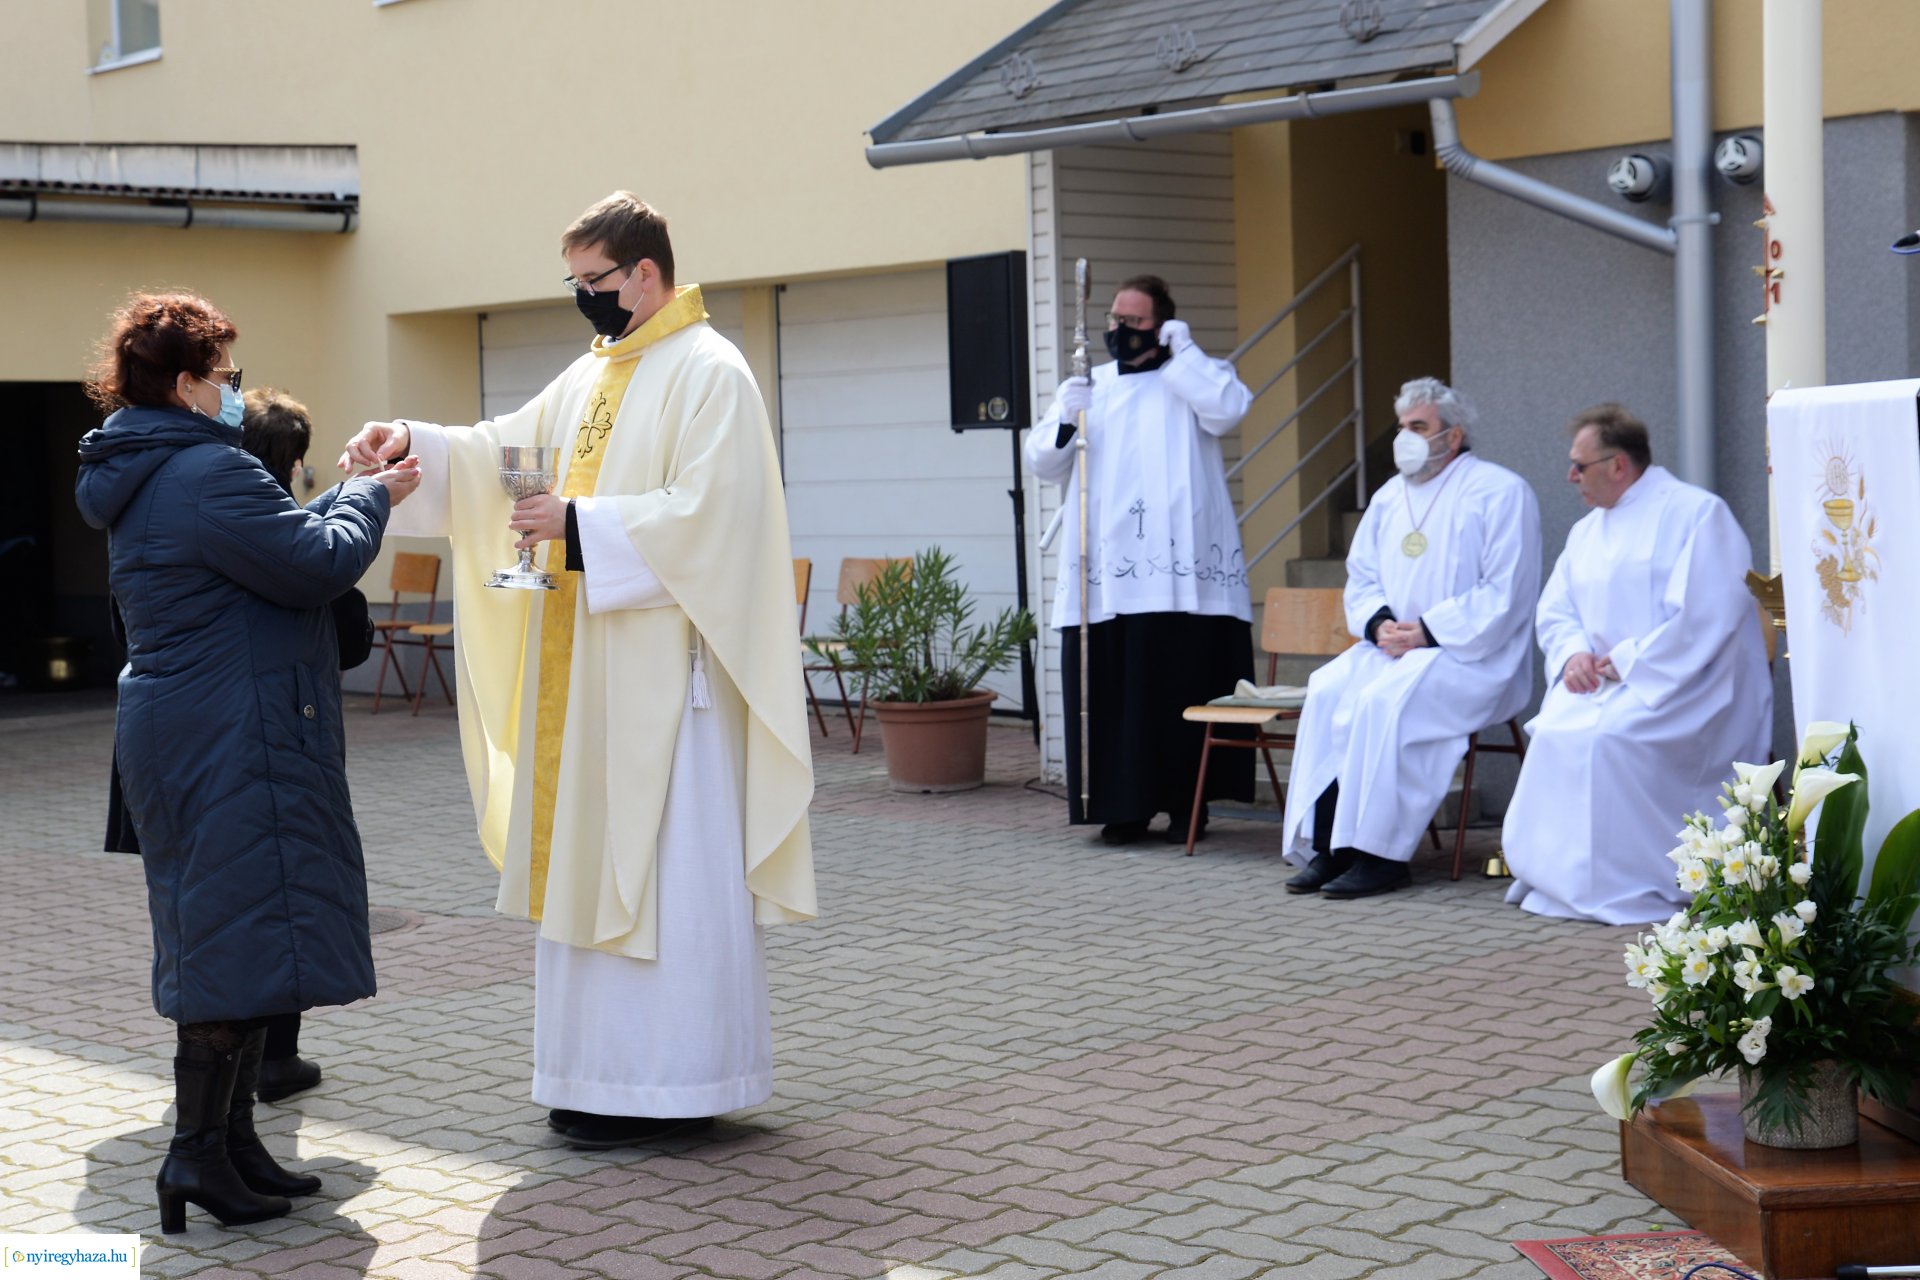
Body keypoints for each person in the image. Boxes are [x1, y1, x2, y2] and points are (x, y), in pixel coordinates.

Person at [339, 192, 816, 1151]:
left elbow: (716, 517)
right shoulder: (599, 372)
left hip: (665, 685)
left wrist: (585, 526)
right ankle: (593, 1076)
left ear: (646, 273)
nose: (584, 302)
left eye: (594, 283)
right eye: (574, 285)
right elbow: (504, 454)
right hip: (586, 673)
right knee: (587, 872)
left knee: (666, 874)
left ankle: (678, 1082)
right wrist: (410, 446)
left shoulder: (711, 371)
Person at [75, 292, 419, 1232]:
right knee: (229, 942)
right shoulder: (201, 475)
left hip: (208, 725)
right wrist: (370, 494)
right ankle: (195, 1157)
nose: (234, 391)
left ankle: (230, 1145)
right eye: (223, 376)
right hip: (224, 731)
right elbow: (312, 562)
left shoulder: (160, 466)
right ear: (184, 385)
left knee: (243, 933)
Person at [1503, 405, 1771, 924]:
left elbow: (1705, 616)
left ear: (1619, 465)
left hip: (1686, 688)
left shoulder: (1697, 514)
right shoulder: (1587, 531)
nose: (1570, 476)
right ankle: (1561, 880)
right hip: (1606, 685)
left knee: (1606, 741)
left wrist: (1628, 662)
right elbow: (1556, 608)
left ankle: (1636, 879)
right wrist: (1573, 654)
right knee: (1558, 733)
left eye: (1579, 465)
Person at [1278, 377, 1540, 899]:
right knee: (1329, 690)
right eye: (1401, 427)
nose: (1405, 438)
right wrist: (1378, 623)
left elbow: (1506, 590)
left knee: (1382, 703)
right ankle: (1331, 848)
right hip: (1393, 647)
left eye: (1418, 426)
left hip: (1470, 658)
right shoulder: (1388, 497)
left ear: (1454, 434)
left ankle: (1379, 855)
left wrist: (1429, 630)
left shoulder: (1500, 491)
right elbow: (1363, 575)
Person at [1024, 274, 1256, 845]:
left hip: (1182, 575)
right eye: (1114, 320)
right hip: (1108, 574)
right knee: (1116, 695)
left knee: (1181, 683)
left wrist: (1186, 352)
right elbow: (1043, 464)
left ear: (1161, 324)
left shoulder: (1195, 376)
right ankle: (1122, 806)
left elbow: (1227, 410)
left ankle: (1188, 804)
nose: (1119, 331)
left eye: (1134, 322)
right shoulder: (1088, 386)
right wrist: (1063, 417)